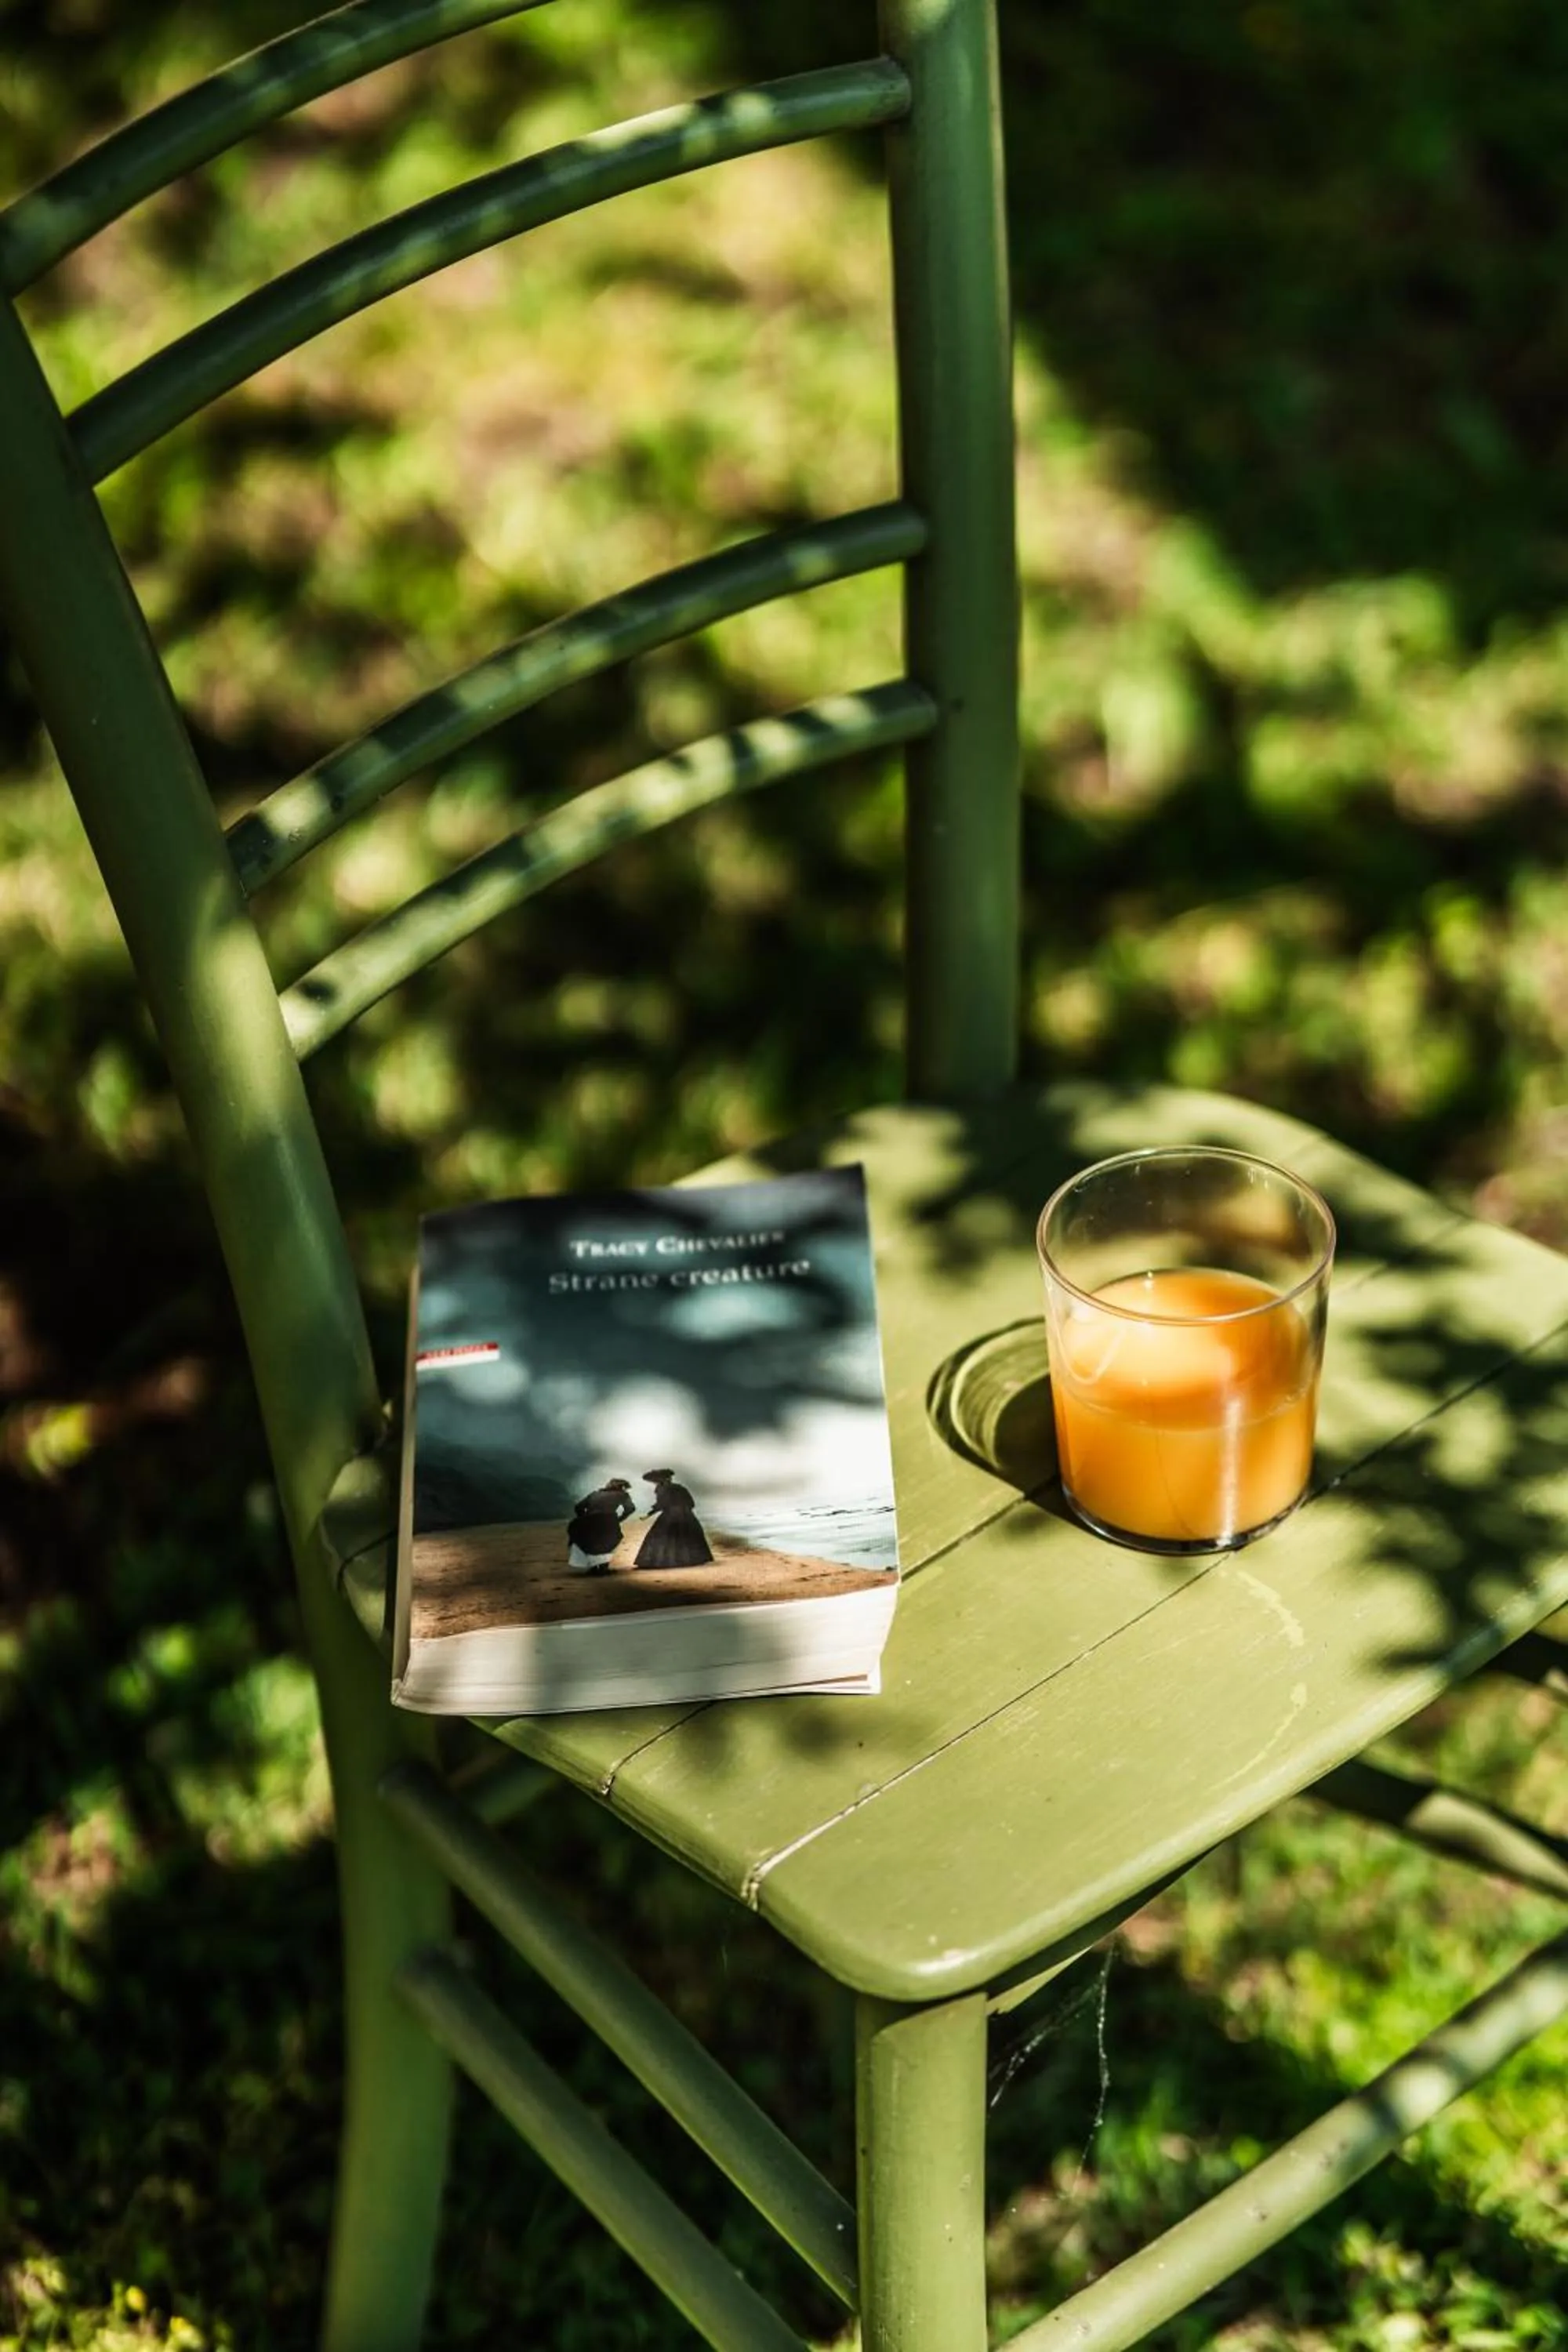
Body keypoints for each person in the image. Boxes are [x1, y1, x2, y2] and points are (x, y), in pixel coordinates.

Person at [633, 1468, 713, 1568]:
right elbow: (691, 1503)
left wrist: (649, 1514)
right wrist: (684, 1510)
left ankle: (664, 1561)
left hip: (670, 1515)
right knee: (688, 1535)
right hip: (687, 1515)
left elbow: (661, 1504)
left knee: (664, 1536)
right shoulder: (680, 1488)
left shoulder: (661, 1489)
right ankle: (691, 1560)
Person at [565, 1476, 633, 1573]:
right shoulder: (622, 1495)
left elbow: (579, 1507)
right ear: (622, 1487)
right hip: (608, 1520)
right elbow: (630, 1509)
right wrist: (619, 1519)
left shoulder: (595, 1494)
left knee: (590, 1543)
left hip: (590, 1520)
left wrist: (584, 1518)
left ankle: (593, 1567)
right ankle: (603, 1567)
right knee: (609, 1542)